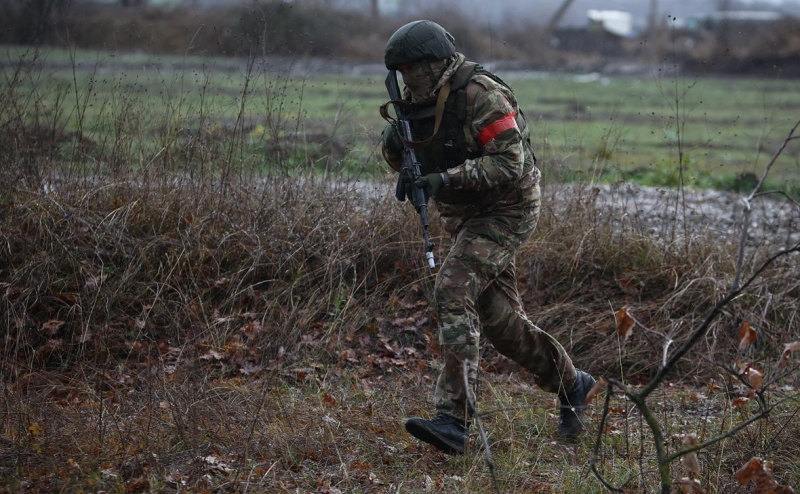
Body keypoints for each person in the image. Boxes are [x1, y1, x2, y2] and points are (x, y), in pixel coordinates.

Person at [379, 20, 596, 455]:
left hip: (507, 209)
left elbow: (509, 164)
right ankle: (572, 383)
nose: (406, 80)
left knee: (452, 288)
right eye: (399, 73)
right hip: (465, 216)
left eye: (411, 70)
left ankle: (454, 419)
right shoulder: (417, 101)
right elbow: (409, 153)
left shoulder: (482, 95)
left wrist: (445, 179)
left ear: (433, 63)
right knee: (500, 323)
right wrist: (402, 158)